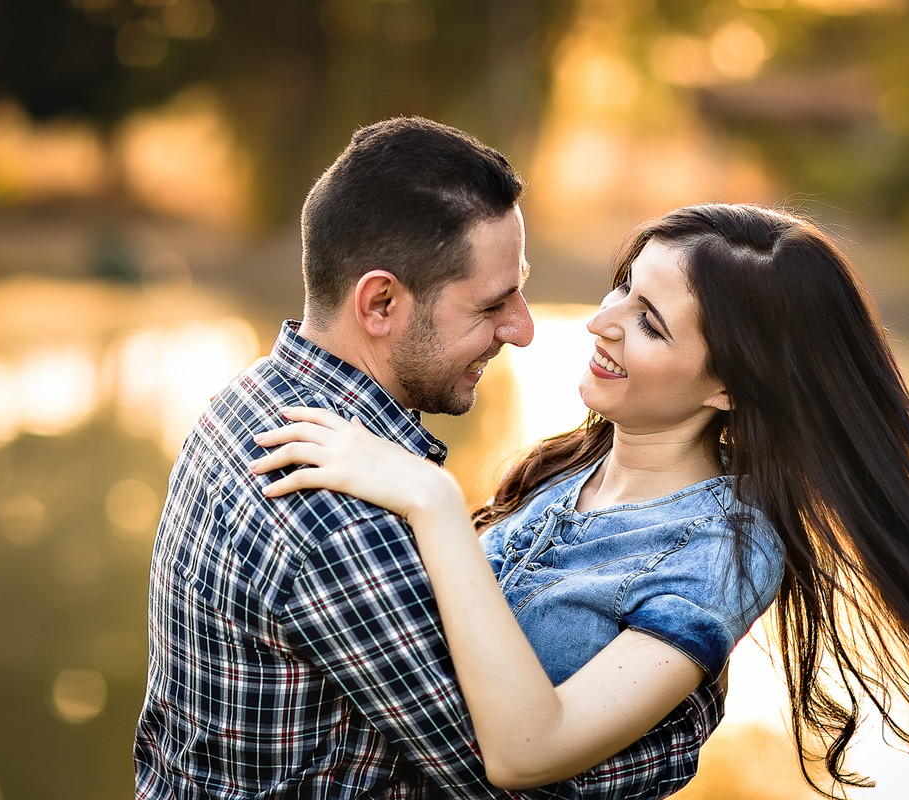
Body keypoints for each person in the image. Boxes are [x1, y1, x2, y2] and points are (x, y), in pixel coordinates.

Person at [250, 202, 909, 796]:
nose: (602, 320)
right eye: (623, 286)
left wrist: (433, 504)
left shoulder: (727, 552)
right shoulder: (565, 470)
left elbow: (527, 753)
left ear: (732, 389)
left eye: (650, 322)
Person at [133, 117, 725, 800]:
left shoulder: (244, 400)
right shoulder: (343, 515)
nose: (524, 329)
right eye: (492, 304)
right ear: (380, 303)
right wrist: (688, 710)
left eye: (521, 289)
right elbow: (504, 782)